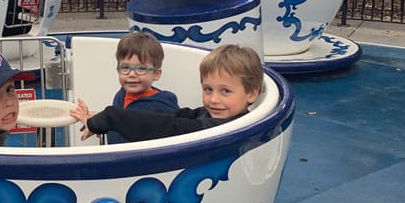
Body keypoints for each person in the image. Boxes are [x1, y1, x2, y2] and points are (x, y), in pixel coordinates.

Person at [70, 44, 263, 143]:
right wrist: (101, 119)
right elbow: (178, 116)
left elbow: (169, 126)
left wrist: (109, 118)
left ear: (252, 94)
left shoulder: (219, 129)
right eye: (208, 89)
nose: (213, 99)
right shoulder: (214, 116)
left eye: (225, 91)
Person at [104, 32, 179, 144]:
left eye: (141, 68)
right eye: (125, 67)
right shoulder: (121, 95)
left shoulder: (161, 108)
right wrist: (99, 122)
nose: (132, 74)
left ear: (156, 74)